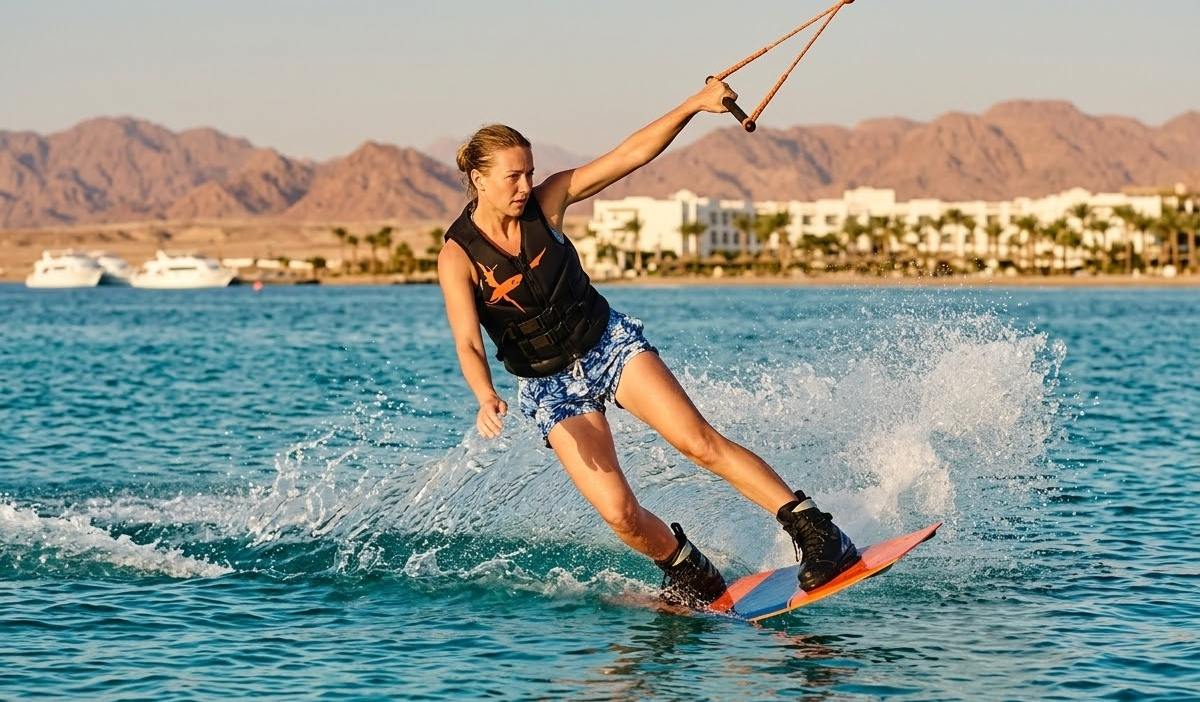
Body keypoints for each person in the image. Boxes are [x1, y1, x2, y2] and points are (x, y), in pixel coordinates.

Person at [437, 79, 859, 609]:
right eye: (512, 177)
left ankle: (818, 533)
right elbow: (467, 340)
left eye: (529, 173)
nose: (524, 185)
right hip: (548, 385)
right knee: (619, 513)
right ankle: (690, 571)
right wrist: (484, 395)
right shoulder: (458, 255)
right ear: (478, 179)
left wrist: (693, 106)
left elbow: (630, 155)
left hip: (606, 345)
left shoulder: (547, 204)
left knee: (697, 441)